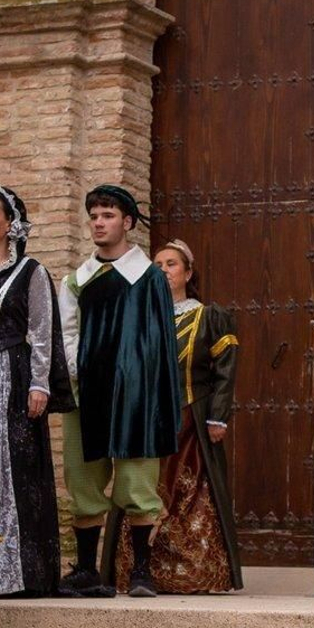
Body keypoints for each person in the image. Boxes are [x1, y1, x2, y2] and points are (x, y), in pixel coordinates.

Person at [56, 185, 182, 598]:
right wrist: (79, 374)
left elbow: (162, 343)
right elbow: (67, 332)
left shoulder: (149, 279)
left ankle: (141, 572)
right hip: (86, 394)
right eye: (93, 215)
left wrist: (152, 394)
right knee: (84, 479)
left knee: (136, 480)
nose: (98, 222)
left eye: (107, 215)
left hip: (136, 398)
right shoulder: (77, 281)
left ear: (127, 222)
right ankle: (88, 572)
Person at [0, 184, 75, 598]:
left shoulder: (31, 272)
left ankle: (19, 574)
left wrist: (40, 383)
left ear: (10, 224)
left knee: (13, 471)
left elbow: (41, 330)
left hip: (13, 377)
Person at [106, 240, 243, 593]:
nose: (164, 270)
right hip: (147, 423)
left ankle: (192, 574)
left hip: (190, 423)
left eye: (172, 264)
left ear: (188, 273)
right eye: (159, 265)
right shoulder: (141, 317)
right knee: (143, 490)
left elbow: (224, 371)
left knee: (191, 496)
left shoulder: (207, 316)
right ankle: (138, 570)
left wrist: (218, 417)